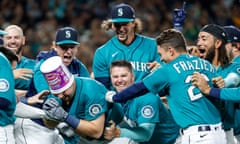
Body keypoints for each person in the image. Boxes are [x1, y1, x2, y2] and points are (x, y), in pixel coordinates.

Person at [105, 28, 227, 144]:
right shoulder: (207, 65)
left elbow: (140, 88)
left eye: (161, 54)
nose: (161, 59)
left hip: (197, 136)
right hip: (219, 133)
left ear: (171, 50)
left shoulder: (167, 70)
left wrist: (114, 98)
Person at [16, 26, 90, 144]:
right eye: (64, 47)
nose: (68, 51)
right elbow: (50, 100)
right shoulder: (44, 66)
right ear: (55, 46)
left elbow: (89, 93)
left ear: (77, 48)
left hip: (56, 128)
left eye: (72, 47)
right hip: (34, 125)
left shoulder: (78, 67)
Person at [104, 60, 180, 144]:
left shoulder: (145, 98)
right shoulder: (114, 99)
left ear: (132, 76)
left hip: (173, 141)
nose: (119, 80)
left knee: (122, 139)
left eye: (124, 76)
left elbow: (146, 134)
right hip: (148, 141)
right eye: (115, 77)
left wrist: (117, 132)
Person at [92, 3, 161, 90]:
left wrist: (162, 71)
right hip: (117, 101)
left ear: (133, 23)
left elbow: (167, 81)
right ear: (112, 26)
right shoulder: (102, 53)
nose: (121, 29)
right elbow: (102, 91)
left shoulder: (153, 46)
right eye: (117, 25)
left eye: (125, 24)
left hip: (147, 101)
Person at [41, 56, 108, 143]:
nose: (60, 96)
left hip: (113, 132)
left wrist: (66, 117)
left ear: (71, 82)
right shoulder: (57, 95)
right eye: (57, 93)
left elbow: (96, 132)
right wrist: (49, 114)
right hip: (81, 137)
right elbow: (49, 124)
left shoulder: (92, 91)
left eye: (63, 91)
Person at [3, 25, 35, 92]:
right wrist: (11, 76)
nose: (13, 41)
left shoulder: (35, 66)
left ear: (23, 40)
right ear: (3, 41)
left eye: (16, 37)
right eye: (9, 38)